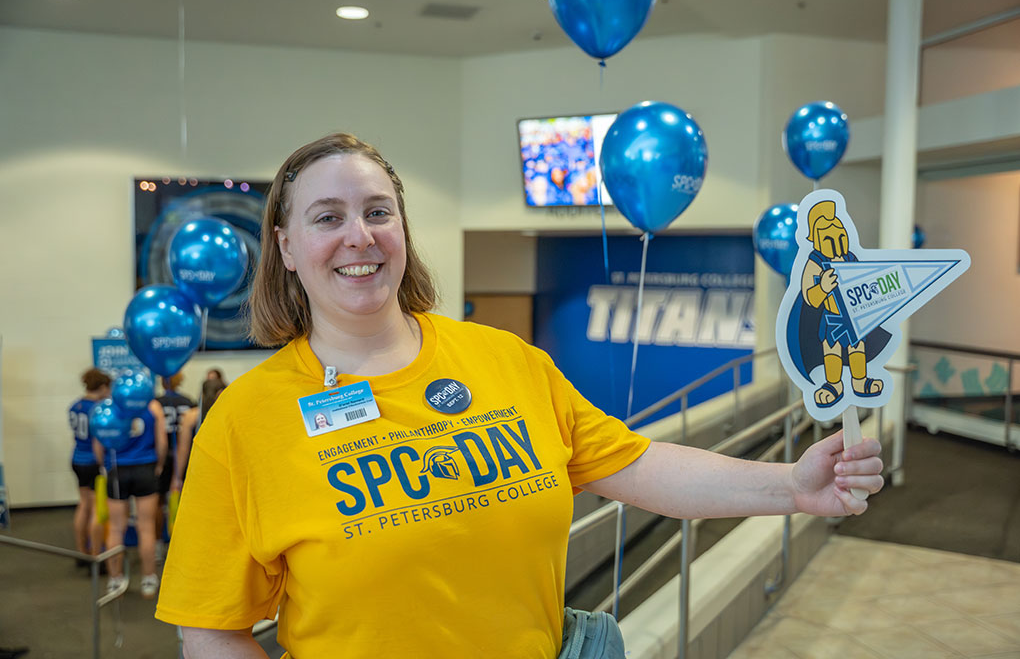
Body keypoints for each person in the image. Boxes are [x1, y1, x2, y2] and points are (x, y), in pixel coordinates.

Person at [156, 133, 884, 658]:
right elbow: (210, 628)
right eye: (327, 218)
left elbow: (637, 466)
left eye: (379, 211)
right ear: (284, 247)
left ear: (403, 228)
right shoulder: (247, 421)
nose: (360, 237)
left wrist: (792, 484)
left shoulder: (503, 358)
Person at [104, 397, 167, 599]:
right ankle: (148, 579)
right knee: (146, 526)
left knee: (115, 527)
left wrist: (106, 467)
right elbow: (162, 442)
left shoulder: (110, 407)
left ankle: (115, 580)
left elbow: (100, 441)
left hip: (117, 469)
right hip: (145, 468)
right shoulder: (153, 406)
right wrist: (159, 465)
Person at [68, 367, 111, 566]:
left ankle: (81, 551)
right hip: (93, 461)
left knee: (83, 504)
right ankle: (95, 556)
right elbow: (98, 442)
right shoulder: (98, 409)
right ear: (102, 387)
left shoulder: (74, 405)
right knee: (96, 508)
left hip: (77, 459)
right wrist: (102, 465)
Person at [155, 373, 196, 546]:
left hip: (162, 456)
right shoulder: (188, 402)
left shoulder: (155, 403)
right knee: (185, 499)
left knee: (158, 501)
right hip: (185, 456)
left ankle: (157, 543)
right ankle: (182, 541)